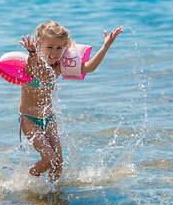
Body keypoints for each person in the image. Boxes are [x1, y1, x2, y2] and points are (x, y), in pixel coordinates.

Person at [18, 20, 123, 181]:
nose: (54, 52)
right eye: (49, 47)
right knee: (48, 160)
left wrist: (105, 47)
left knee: (58, 163)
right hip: (29, 120)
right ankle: (22, 180)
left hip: (49, 119)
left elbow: (88, 67)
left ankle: (50, 194)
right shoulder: (34, 63)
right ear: (39, 45)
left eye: (59, 48)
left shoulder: (59, 66)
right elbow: (30, 72)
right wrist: (32, 53)